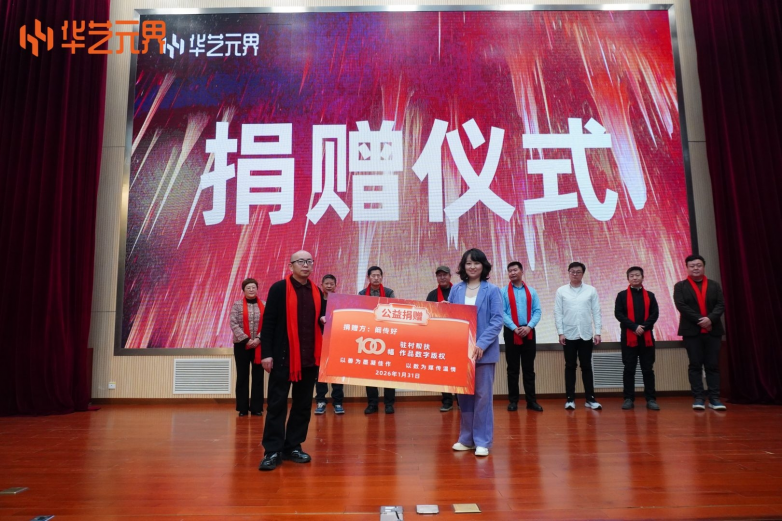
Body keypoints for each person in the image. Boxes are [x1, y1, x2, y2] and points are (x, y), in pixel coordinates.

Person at [258, 251, 326, 471]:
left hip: (309, 359)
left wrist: (325, 320)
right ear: (291, 266)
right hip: (283, 357)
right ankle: (272, 450)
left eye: (309, 261)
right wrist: (266, 353)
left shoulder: (316, 291)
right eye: (301, 262)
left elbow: (321, 320)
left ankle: (293, 446)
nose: (306, 265)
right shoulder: (279, 289)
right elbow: (268, 322)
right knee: (276, 405)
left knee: (303, 406)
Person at [448, 248, 504, 457]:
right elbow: (451, 317)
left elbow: (497, 320)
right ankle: (466, 439)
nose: (472, 267)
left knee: (482, 397)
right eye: (468, 263)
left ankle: (482, 441)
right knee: (464, 397)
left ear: (484, 266)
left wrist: (480, 344)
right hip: (460, 353)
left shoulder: (492, 290)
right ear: (463, 266)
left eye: (476, 263)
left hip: (483, 353)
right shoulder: (456, 290)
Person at [673, 254, 727, 411]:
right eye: (692, 266)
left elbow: (720, 304)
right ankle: (698, 398)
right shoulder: (680, 286)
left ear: (703, 267)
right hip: (692, 332)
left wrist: (710, 319)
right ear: (687, 268)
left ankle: (714, 398)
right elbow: (681, 306)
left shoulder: (714, 285)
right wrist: (701, 320)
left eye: (698, 265)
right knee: (695, 365)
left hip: (713, 331)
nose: (695, 268)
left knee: (712, 365)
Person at [554, 262, 603, 410]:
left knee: (586, 366)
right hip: (568, 334)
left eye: (578, 272)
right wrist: (560, 332)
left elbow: (596, 311)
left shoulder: (591, 290)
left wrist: (598, 332)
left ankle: (590, 399)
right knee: (570, 366)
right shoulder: (561, 291)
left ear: (583, 274)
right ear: (568, 273)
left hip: (586, 334)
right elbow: (558, 313)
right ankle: (570, 399)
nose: (575, 274)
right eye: (572, 272)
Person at [614, 267, 660, 411]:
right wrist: (634, 327)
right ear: (628, 278)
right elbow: (619, 314)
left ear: (642, 277)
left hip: (646, 338)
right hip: (629, 338)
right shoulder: (621, 295)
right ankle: (628, 398)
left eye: (637, 275)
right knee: (629, 369)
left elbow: (654, 314)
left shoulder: (650, 295)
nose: (635, 278)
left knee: (648, 369)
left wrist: (643, 327)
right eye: (632, 276)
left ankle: (651, 399)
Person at [500, 261, 543, 412]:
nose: (512, 273)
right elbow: (501, 312)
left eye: (515, 270)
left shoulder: (531, 291)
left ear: (522, 271)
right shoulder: (503, 292)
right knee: (512, 369)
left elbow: (537, 311)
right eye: (510, 271)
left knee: (529, 369)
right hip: (511, 332)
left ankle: (531, 401)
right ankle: (513, 401)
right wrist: (514, 328)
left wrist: (529, 326)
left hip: (528, 331)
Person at [359, 266, 397, 414]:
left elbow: (395, 312)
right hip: (369, 338)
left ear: (382, 277)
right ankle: (372, 404)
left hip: (387, 336)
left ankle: (389, 403)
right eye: (373, 275)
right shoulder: (362, 294)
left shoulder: (389, 292)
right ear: (368, 277)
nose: (376, 278)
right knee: (369, 371)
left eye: (378, 275)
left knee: (389, 371)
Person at [229, 278, 265, 417]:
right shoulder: (237, 305)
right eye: (248, 288)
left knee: (258, 377)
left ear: (257, 289)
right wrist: (247, 340)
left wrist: (258, 339)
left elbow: (268, 324)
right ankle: (242, 408)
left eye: (253, 287)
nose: (251, 290)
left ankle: (256, 408)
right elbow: (233, 324)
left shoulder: (264, 305)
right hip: (241, 345)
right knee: (242, 376)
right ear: (243, 290)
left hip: (259, 345)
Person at [426, 265, 456, 412]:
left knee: (458, 370)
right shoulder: (432, 295)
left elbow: (466, 311)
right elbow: (427, 315)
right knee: (443, 371)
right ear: (436, 278)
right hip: (439, 337)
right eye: (439, 275)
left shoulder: (458, 292)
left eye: (445, 274)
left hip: (457, 337)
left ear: (450, 276)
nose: (442, 277)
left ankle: (462, 400)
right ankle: (447, 401)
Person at [314, 274, 345, 415]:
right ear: (322, 285)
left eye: (331, 284)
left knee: (336, 372)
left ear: (335, 285)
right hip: (320, 341)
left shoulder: (340, 300)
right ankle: (321, 401)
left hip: (336, 341)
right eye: (326, 283)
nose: (329, 286)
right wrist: (319, 319)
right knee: (320, 373)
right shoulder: (317, 300)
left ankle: (337, 402)